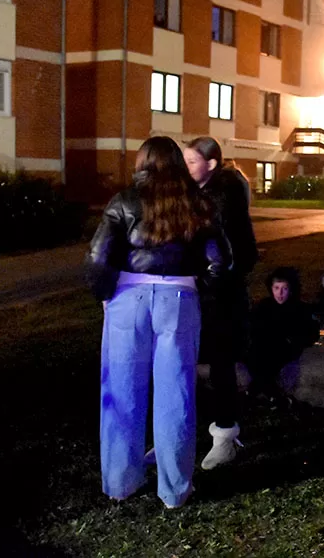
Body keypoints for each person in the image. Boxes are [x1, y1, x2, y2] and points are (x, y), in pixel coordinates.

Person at [85, 136, 231, 509]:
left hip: (127, 300)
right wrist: (198, 289)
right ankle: (175, 489)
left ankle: (120, 482)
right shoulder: (196, 201)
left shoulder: (123, 201)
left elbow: (98, 258)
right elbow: (220, 261)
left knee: (121, 392)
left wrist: (105, 295)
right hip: (179, 301)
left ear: (142, 162)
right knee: (176, 395)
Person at [184, 137, 258, 471]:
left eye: (191, 162)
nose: (185, 168)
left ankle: (226, 436)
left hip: (220, 296)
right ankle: (198, 433)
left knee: (220, 364)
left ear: (211, 164)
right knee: (204, 363)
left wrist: (209, 282)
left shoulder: (219, 199)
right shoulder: (203, 195)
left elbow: (232, 254)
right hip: (206, 292)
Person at [247, 267, 320, 401]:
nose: (280, 293)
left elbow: (312, 334)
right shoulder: (264, 306)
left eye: (284, 288)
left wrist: (294, 340)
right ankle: (274, 394)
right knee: (252, 355)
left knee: (270, 358)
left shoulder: (301, 309)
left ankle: (257, 390)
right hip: (263, 346)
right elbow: (253, 328)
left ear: (291, 289)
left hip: (286, 348)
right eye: (276, 288)